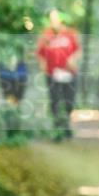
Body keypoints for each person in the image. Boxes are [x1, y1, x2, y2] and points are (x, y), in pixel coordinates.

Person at [35, 9, 81, 140]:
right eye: (51, 18)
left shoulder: (70, 33)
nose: (53, 20)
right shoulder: (46, 34)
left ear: (61, 18)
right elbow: (40, 53)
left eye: (55, 17)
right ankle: (57, 129)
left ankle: (66, 125)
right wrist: (42, 63)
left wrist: (73, 58)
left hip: (69, 73)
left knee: (69, 101)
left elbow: (79, 50)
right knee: (55, 100)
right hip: (52, 74)